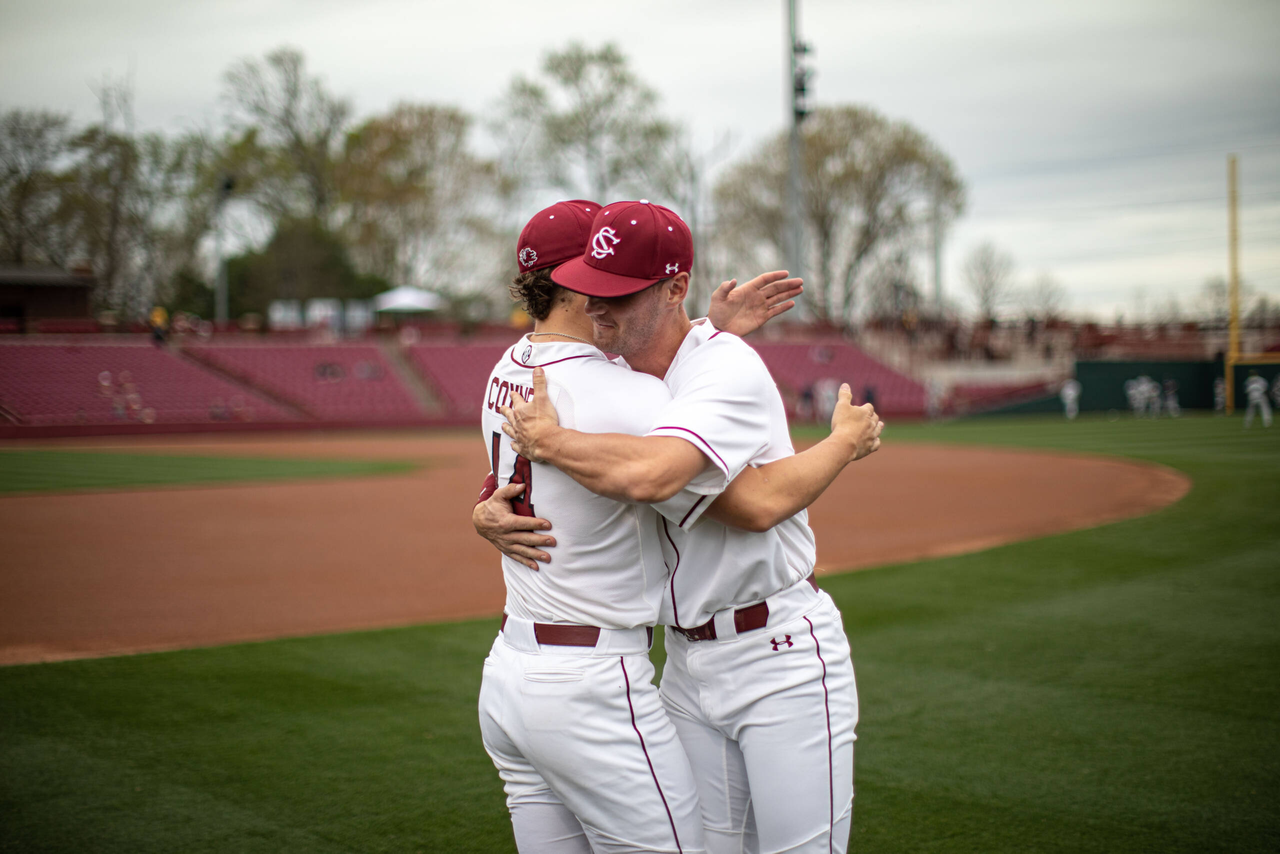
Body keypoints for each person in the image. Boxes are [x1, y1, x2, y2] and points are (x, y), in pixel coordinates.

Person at [476, 199, 879, 854]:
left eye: (622, 296)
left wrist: (841, 443)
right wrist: (488, 502)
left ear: (674, 288)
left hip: (778, 650)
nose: (600, 310)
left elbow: (747, 504)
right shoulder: (629, 375)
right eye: (593, 292)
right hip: (686, 662)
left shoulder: (718, 370)